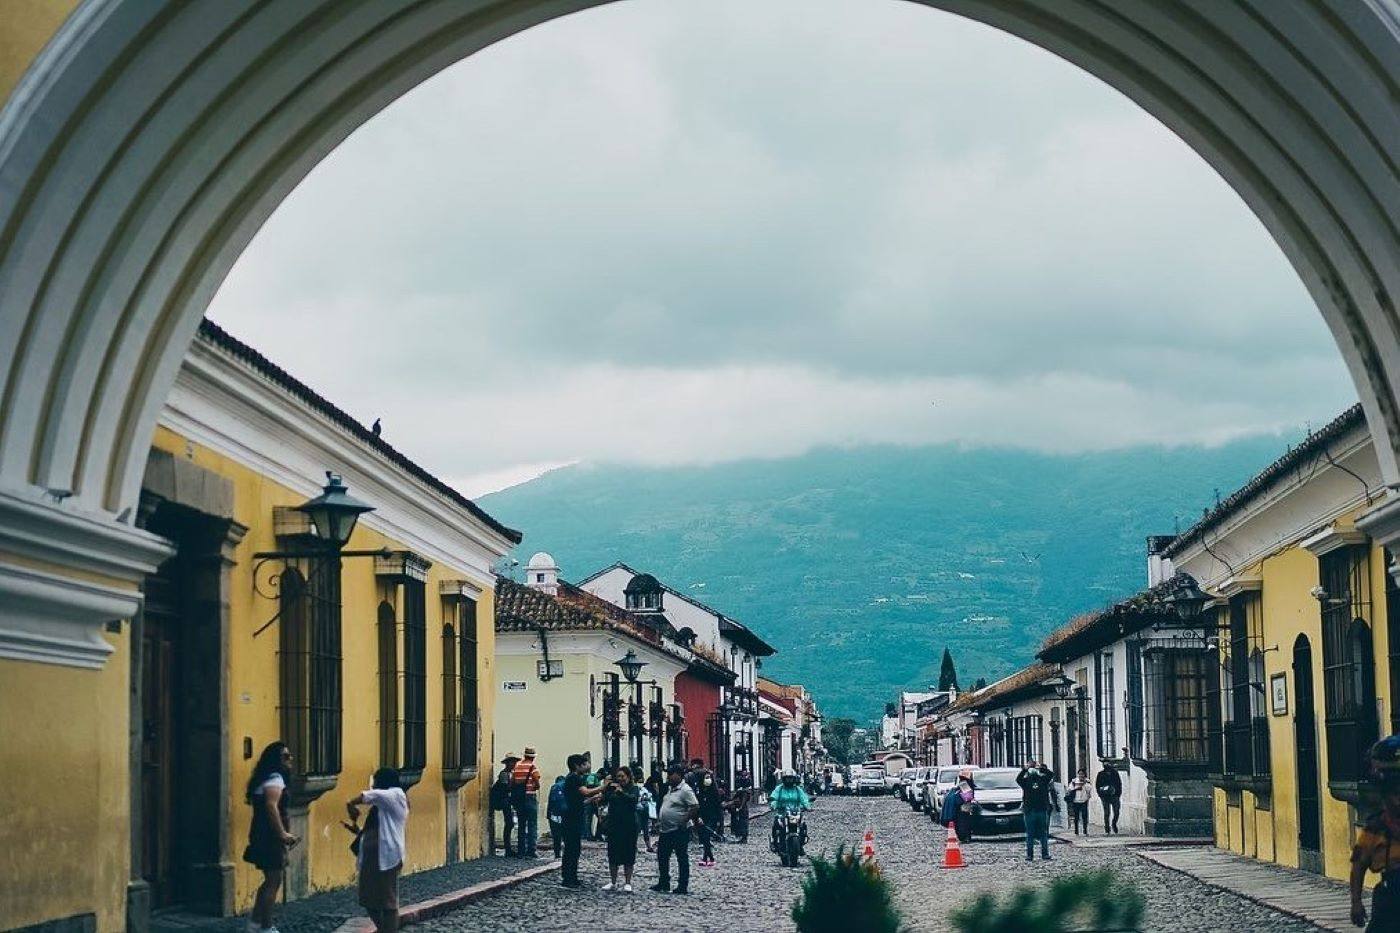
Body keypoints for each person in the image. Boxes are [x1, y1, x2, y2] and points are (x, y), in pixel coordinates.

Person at [243, 742, 297, 933]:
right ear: (275, 760)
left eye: (289, 755)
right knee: (273, 881)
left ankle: (255, 923)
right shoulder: (275, 779)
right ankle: (266, 927)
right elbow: (271, 806)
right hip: (269, 836)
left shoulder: (265, 779)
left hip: (262, 833)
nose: (290, 759)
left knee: (269, 880)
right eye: (285, 756)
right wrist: (282, 833)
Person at [347, 768, 409, 933]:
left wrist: (350, 803)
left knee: (387, 901)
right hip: (373, 858)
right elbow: (378, 829)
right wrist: (358, 831)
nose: (373, 785)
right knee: (368, 900)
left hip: (386, 858)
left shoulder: (396, 795)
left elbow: (370, 796)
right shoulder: (381, 806)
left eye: (375, 781)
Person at [1351, 736, 1400, 930]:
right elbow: (1358, 865)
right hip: (1390, 897)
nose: (1398, 802)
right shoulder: (1375, 828)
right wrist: (1356, 902)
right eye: (1395, 795)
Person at [653, 764, 701, 895]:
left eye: (671, 774)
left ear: (679, 775)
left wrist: (683, 820)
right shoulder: (670, 789)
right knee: (662, 856)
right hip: (666, 830)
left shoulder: (685, 790)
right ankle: (664, 882)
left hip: (679, 830)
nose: (668, 776)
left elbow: (695, 806)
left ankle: (682, 885)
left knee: (681, 857)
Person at [561, 753, 605, 888]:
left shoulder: (572, 778)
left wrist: (592, 799)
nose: (588, 766)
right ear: (576, 766)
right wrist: (603, 787)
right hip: (572, 818)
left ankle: (571, 876)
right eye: (584, 764)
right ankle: (569, 877)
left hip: (572, 816)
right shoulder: (575, 778)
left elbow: (580, 800)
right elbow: (585, 792)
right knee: (572, 849)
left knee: (573, 848)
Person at [601, 767, 643, 892]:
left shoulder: (634, 789)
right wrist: (606, 787)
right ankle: (613, 881)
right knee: (612, 853)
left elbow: (633, 800)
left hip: (629, 825)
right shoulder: (613, 789)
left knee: (629, 854)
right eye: (618, 776)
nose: (620, 779)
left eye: (622, 776)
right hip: (614, 825)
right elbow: (605, 799)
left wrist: (621, 792)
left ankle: (627, 882)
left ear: (628, 777)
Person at [1017, 759, 1057, 861]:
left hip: (1040, 810)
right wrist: (1025, 769)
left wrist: (1040, 767)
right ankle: (1031, 855)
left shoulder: (1042, 780)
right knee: (1031, 834)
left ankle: (1043, 854)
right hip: (1031, 810)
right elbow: (1018, 779)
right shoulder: (1027, 781)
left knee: (1041, 833)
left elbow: (1051, 774)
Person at [510, 746, 543, 857]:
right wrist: (535, 786)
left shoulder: (517, 766)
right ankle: (531, 850)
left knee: (521, 824)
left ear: (524, 755)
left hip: (519, 799)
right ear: (533, 757)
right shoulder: (532, 767)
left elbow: (512, 781)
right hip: (530, 797)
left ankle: (521, 850)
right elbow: (537, 782)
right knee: (532, 824)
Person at [768, 769, 813, 852]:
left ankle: (800, 844)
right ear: (784, 779)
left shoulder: (797, 789)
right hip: (782, 813)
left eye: (791, 778)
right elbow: (774, 797)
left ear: (794, 779)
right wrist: (773, 804)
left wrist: (807, 806)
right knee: (776, 824)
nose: (789, 780)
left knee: (803, 825)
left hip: (795, 812)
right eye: (787, 778)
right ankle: (775, 842)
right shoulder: (779, 789)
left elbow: (804, 798)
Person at [490, 753, 519, 856]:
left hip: (507, 800)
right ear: (507, 763)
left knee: (510, 824)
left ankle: (508, 848)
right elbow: (505, 788)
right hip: (504, 800)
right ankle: (508, 849)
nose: (514, 763)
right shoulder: (504, 774)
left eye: (515, 761)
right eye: (512, 761)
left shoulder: (510, 773)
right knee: (509, 823)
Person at [696, 771, 724, 866]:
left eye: (709, 777)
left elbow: (718, 807)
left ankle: (706, 858)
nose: (707, 779)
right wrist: (698, 816)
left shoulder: (714, 792)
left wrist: (720, 821)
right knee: (705, 838)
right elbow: (698, 805)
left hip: (712, 817)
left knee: (706, 837)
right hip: (703, 817)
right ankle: (710, 858)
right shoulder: (700, 791)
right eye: (706, 777)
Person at [951, 769, 976, 843]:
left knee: (963, 822)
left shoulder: (964, 784)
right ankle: (967, 836)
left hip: (963, 806)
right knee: (966, 821)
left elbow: (967, 797)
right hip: (967, 806)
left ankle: (965, 836)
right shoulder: (970, 783)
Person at [546, 774, 568, 859]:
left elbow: (550, 801)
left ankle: (557, 854)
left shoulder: (554, 787)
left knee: (556, 836)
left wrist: (548, 814)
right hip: (566, 814)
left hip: (554, 815)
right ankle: (567, 853)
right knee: (566, 835)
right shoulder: (567, 785)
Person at [1096, 764, 1122, 834]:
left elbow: (1119, 784)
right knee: (1107, 813)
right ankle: (1107, 828)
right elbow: (1097, 785)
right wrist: (1100, 794)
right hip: (1104, 796)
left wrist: (1118, 794)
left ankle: (1114, 823)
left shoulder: (1115, 773)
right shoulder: (1100, 774)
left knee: (1116, 812)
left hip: (1115, 795)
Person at [1067, 768, 1093, 836]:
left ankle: (1085, 830)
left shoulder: (1087, 781)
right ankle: (1076, 831)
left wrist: (1084, 783)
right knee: (1076, 817)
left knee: (1084, 816)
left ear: (1084, 775)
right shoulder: (1074, 781)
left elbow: (1089, 789)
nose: (1081, 775)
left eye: (1082, 774)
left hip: (1084, 801)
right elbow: (1070, 788)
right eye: (1080, 774)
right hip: (1076, 801)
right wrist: (1076, 787)